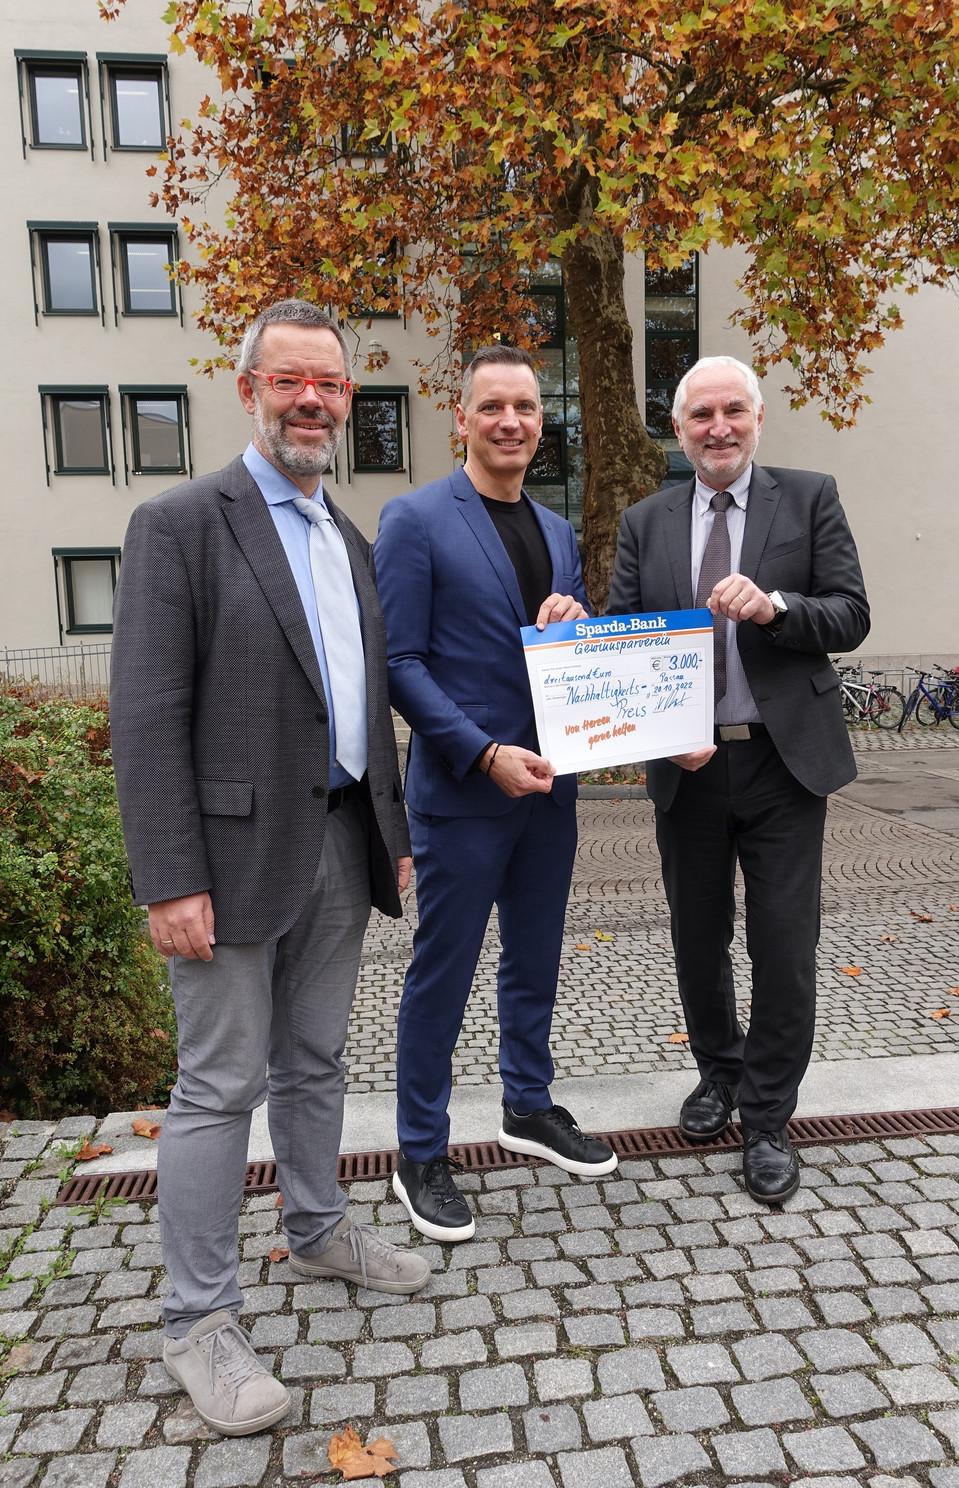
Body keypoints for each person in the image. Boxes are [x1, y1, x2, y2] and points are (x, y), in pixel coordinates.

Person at [109, 299, 428, 1437]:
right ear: (247, 390)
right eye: (291, 380)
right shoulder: (182, 523)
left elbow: (358, 698)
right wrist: (166, 877)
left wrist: (389, 830)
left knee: (314, 1059)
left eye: (331, 385)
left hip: (340, 843)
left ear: (347, 401)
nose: (311, 400)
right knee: (216, 1085)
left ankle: (314, 1223)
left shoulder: (350, 538)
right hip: (228, 863)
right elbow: (146, 716)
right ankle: (199, 1319)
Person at [608, 355, 869, 1204]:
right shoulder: (646, 520)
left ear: (757, 418)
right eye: (699, 417)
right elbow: (622, 641)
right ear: (677, 430)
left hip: (783, 762)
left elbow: (852, 613)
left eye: (732, 412)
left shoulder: (810, 495)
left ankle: (766, 1117)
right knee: (697, 938)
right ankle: (718, 1074)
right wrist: (578, 629)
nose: (717, 428)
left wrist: (776, 608)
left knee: (786, 947)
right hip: (689, 765)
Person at [373, 345, 617, 1243]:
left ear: (539, 423)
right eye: (493, 407)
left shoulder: (555, 532)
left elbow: (565, 657)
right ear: (462, 420)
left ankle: (527, 1105)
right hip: (466, 790)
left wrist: (577, 623)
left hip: (551, 790)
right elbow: (398, 663)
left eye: (525, 406)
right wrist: (483, 754)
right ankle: (420, 1152)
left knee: (536, 960)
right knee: (444, 972)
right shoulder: (414, 520)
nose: (511, 420)